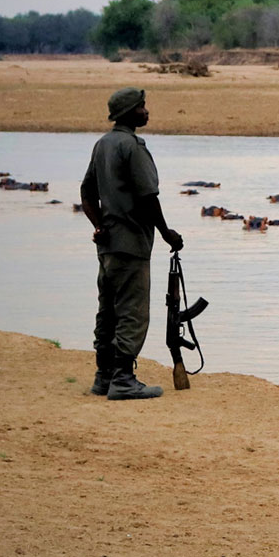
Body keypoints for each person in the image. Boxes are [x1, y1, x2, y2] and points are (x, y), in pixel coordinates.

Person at [79, 87, 181, 401]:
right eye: (142, 107)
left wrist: (99, 226)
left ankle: (104, 376)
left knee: (108, 310)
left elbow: (86, 193)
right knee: (133, 313)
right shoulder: (133, 147)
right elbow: (148, 197)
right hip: (132, 244)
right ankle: (123, 379)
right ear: (128, 113)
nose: (146, 111)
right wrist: (166, 233)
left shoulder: (103, 144)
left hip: (108, 246)